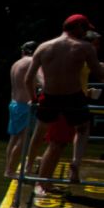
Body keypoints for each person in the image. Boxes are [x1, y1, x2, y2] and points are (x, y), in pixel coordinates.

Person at [27, 14, 104, 186]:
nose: (85, 33)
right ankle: (76, 162)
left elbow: (28, 78)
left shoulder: (43, 47)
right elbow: (99, 75)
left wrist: (33, 98)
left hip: (49, 96)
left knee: (40, 132)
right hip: (73, 96)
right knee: (83, 128)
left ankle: (29, 165)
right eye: (84, 29)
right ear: (77, 27)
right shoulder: (84, 47)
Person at [6, 41, 39, 177]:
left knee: (13, 138)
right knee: (23, 139)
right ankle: (11, 171)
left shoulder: (16, 64)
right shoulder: (32, 62)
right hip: (25, 105)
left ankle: (8, 168)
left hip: (14, 104)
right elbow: (41, 79)